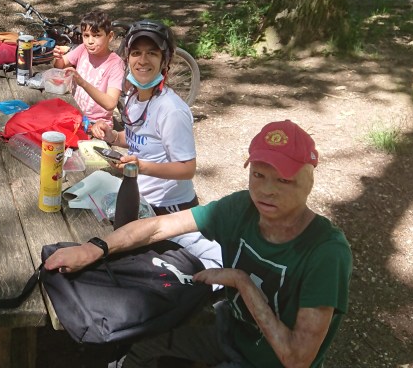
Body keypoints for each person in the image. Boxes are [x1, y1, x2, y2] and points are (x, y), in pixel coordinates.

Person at [44, 120, 353, 368]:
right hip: (230, 331)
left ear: (309, 181)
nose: (266, 190)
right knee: (138, 343)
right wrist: (93, 248)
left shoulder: (326, 252)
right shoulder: (242, 207)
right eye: (258, 174)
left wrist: (242, 282)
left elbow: (296, 359)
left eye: (284, 180)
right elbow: (159, 226)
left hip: (267, 361)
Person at [91, 20, 221, 268]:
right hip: (141, 202)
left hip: (170, 210)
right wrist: (112, 137)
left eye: (152, 53)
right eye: (136, 53)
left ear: (165, 61)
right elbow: (137, 139)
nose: (142, 60)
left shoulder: (171, 110)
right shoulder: (134, 97)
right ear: (127, 58)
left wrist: (141, 167)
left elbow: (187, 168)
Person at [51, 9, 125, 127]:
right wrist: (58, 57)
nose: (90, 41)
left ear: (110, 36)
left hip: (97, 124)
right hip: (74, 114)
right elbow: (60, 65)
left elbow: (111, 104)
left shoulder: (115, 64)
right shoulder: (83, 49)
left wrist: (83, 83)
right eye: (86, 35)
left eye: (97, 35)